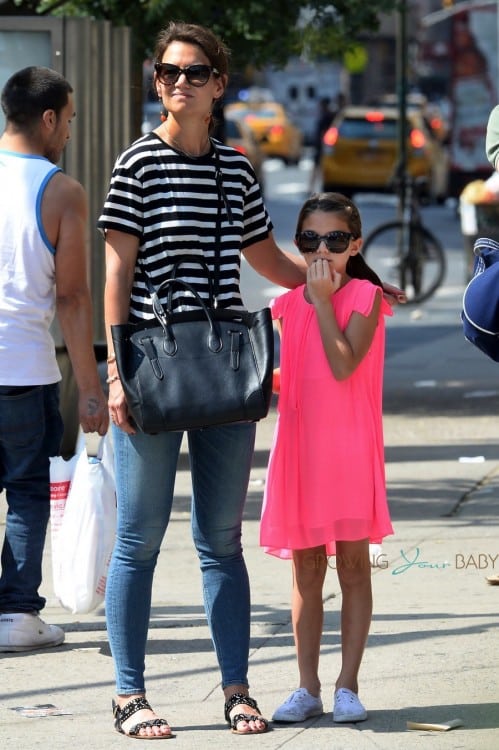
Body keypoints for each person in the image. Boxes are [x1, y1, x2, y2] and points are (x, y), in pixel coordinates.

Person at [98, 21, 308, 740]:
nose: (177, 83)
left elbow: (265, 259)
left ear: (220, 83)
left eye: (192, 73)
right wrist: (117, 373)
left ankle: (236, 689)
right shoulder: (136, 165)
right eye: (166, 72)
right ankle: (129, 695)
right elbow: (117, 273)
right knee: (139, 539)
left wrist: (340, 277)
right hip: (152, 363)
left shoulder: (234, 167)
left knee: (221, 540)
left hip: (224, 364)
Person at [260, 192, 394, 724]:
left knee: (354, 565)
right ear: (298, 243)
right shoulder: (284, 307)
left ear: (354, 245)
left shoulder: (366, 295)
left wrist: (319, 301)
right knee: (306, 567)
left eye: (335, 240)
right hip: (300, 448)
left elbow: (343, 366)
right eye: (310, 239)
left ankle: (348, 685)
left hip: (349, 450)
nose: (322, 250)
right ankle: (307, 686)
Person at [0, 67, 109, 652]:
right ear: (47, 119)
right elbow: (71, 297)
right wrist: (89, 387)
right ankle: (17, 613)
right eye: (67, 120)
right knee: (25, 491)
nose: (68, 131)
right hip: (20, 370)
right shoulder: (61, 191)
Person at [308, 94, 345, 193]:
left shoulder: (328, 116)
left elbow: (326, 132)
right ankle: (311, 187)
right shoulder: (329, 115)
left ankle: (312, 187)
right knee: (317, 167)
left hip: (324, 146)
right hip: (322, 145)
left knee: (320, 167)